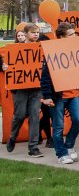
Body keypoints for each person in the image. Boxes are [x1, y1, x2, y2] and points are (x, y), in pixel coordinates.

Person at [40, 22, 79, 164]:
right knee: (58, 126)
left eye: (75, 33)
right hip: (57, 96)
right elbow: (45, 77)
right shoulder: (52, 53)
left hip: (74, 94)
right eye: (71, 34)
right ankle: (61, 154)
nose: (74, 36)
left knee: (78, 121)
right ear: (61, 37)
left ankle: (69, 145)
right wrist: (46, 96)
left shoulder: (78, 51)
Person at [6, 23, 44, 157]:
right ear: (26, 34)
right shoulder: (16, 49)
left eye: (37, 32)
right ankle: (12, 137)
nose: (36, 34)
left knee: (34, 116)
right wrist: (4, 66)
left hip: (36, 89)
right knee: (20, 115)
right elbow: (7, 62)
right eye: (33, 32)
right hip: (21, 89)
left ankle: (33, 147)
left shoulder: (41, 49)